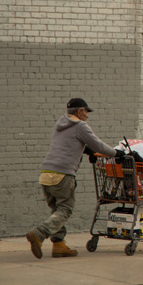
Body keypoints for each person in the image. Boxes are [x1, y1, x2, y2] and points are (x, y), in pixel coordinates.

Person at [26, 98, 123, 259]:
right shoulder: (80, 126)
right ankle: (39, 233)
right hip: (62, 174)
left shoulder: (60, 124)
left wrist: (87, 151)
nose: (87, 115)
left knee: (57, 211)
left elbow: (69, 144)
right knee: (65, 209)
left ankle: (59, 245)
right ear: (80, 111)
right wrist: (117, 153)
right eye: (86, 111)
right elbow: (98, 145)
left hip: (46, 172)